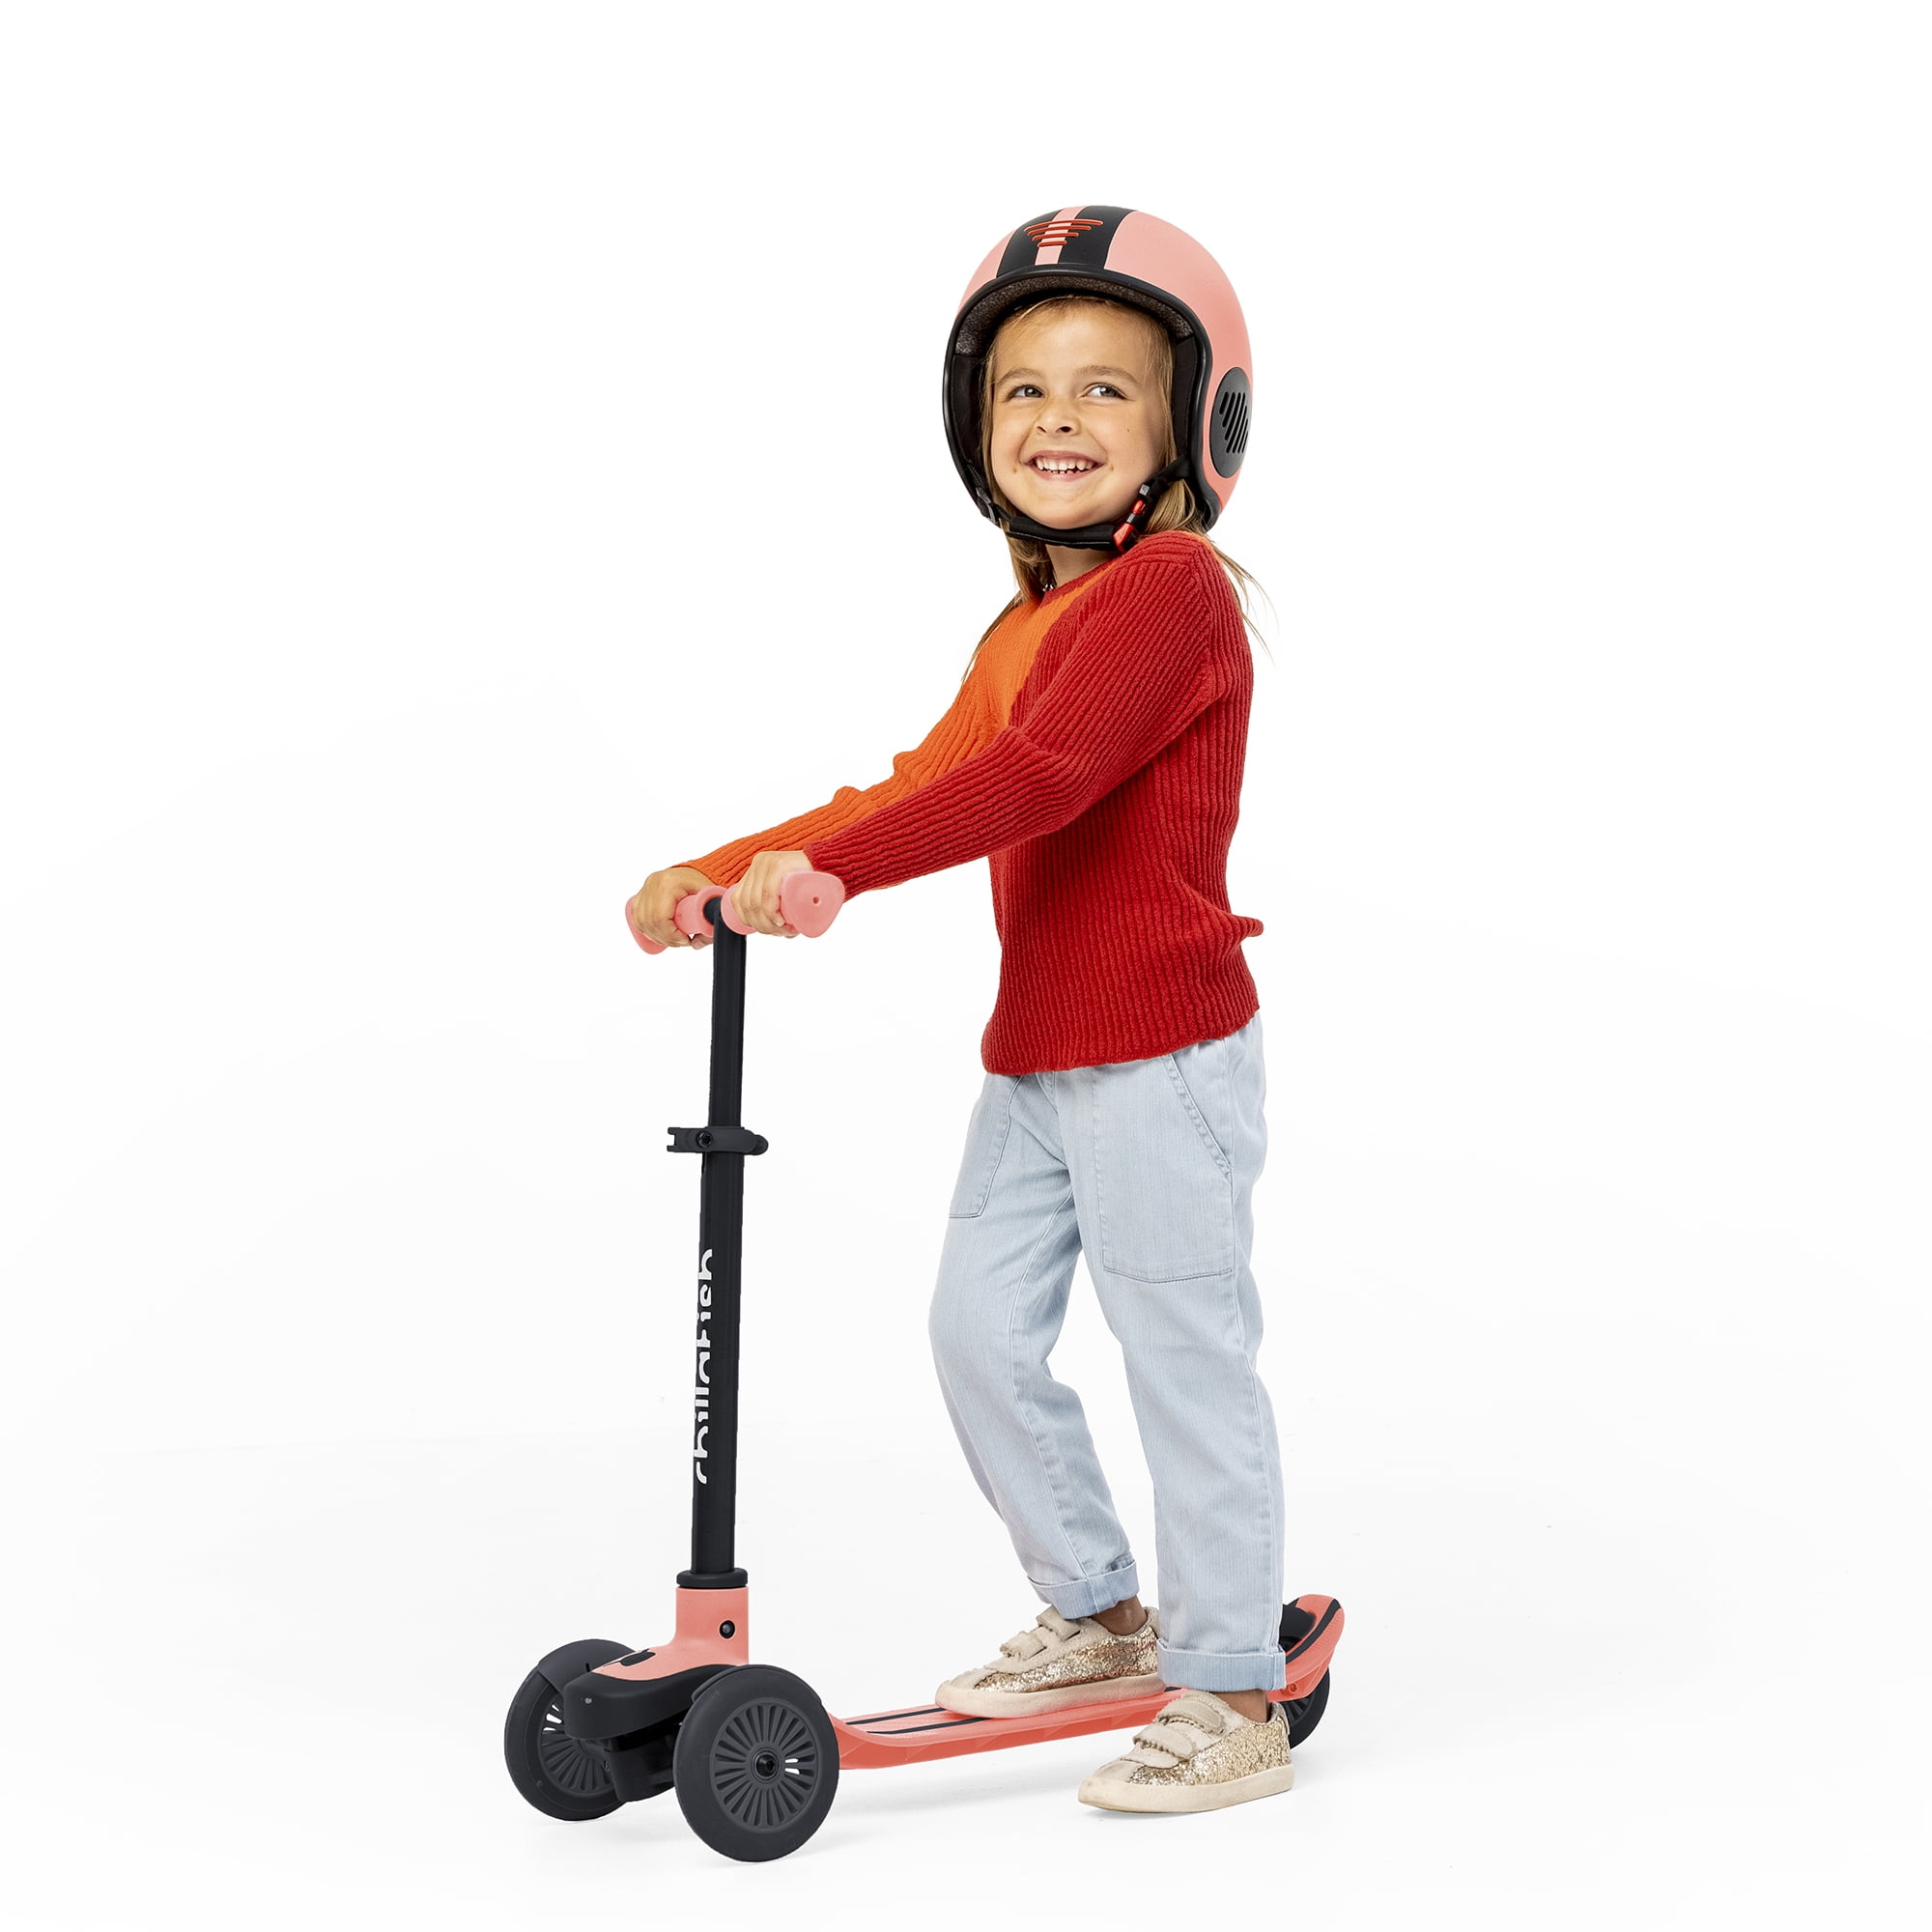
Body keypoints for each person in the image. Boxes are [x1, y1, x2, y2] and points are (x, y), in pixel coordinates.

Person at [627, 207, 1289, 1815]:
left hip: (1162, 1055)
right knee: (978, 1335)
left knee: (1182, 1358)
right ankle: (1103, 1616)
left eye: (1105, 388)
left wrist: (830, 876)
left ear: (1191, 427)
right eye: (1024, 391)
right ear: (976, 431)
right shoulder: (1025, 626)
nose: (1058, 417)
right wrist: (723, 864)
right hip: (1041, 1059)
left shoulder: (1172, 593)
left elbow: (1041, 778)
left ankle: (1231, 1692)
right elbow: (918, 784)